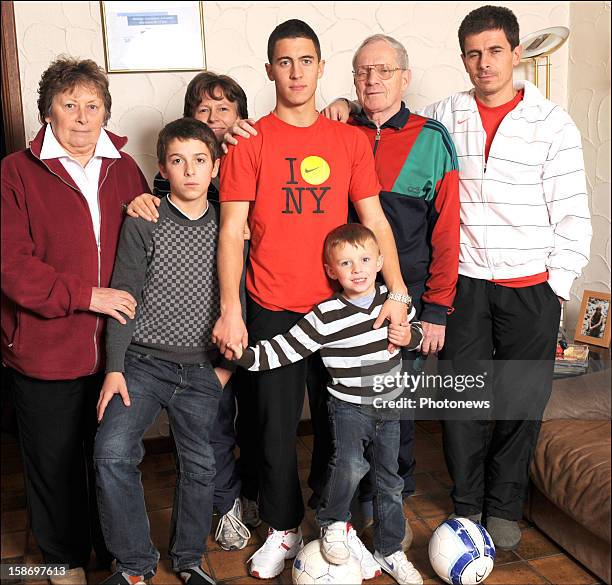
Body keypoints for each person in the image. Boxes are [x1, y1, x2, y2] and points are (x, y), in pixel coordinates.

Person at [213, 19, 411, 580]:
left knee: (341, 429)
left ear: (321, 68)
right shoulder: (249, 142)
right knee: (274, 430)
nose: (296, 72)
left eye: (306, 61)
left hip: (343, 310)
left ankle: (337, 524)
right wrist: (232, 308)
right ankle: (282, 527)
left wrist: (395, 293)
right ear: (271, 69)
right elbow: (231, 231)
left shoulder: (348, 139)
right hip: (272, 303)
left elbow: (374, 221)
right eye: (284, 61)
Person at [422, 5, 590, 550]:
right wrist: (346, 106)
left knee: (519, 405)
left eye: (495, 51)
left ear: (516, 53)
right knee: (461, 401)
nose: (484, 63)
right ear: (463, 58)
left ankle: (504, 505)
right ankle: (467, 504)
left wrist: (554, 289)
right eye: (473, 53)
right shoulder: (442, 116)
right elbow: (390, 132)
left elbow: (572, 213)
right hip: (465, 284)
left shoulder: (551, 122)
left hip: (531, 286)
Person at [1, 56, 149, 585]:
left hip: (115, 352)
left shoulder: (126, 169)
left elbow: (148, 247)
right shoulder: (16, 171)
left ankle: (111, 558)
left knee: (107, 461)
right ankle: (63, 562)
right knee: (55, 466)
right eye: (70, 105)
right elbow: (11, 267)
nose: (83, 117)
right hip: (44, 350)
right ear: (48, 113)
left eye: (93, 105)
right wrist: (88, 296)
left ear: (107, 111)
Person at [318, 34, 460, 545]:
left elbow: (447, 231)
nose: (372, 80)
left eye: (382, 70)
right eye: (361, 71)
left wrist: (437, 310)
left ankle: (387, 519)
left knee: (394, 414)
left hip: (407, 298)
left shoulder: (431, 138)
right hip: (341, 297)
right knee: (342, 409)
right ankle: (342, 517)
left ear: (404, 76)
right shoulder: (335, 128)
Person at [228, 224, 424, 585]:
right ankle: (333, 521)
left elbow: (418, 333)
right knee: (348, 465)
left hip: (390, 410)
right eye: (346, 263)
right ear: (332, 271)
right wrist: (243, 356)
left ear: (380, 261)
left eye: (365, 260)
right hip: (348, 408)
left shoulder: (392, 302)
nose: (358, 269)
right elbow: (287, 348)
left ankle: (390, 549)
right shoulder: (326, 314)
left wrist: (410, 336)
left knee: (389, 482)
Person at [126, 71, 258, 551]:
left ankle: (252, 498)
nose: (215, 118)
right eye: (203, 111)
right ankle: (225, 505)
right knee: (213, 424)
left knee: (258, 421)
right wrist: (141, 199)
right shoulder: (178, 183)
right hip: (199, 335)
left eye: (225, 109)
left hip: (255, 311)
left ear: (240, 118)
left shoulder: (255, 154)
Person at [94, 118, 227, 585]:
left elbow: (239, 299)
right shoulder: (145, 220)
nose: (189, 171)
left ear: (215, 166)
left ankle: (190, 558)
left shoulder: (230, 225)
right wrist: (114, 368)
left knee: (200, 464)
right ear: (163, 169)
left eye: (199, 160)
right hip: (142, 364)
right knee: (111, 453)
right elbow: (124, 295)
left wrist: (224, 371)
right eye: (177, 161)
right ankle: (134, 564)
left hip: (201, 369)